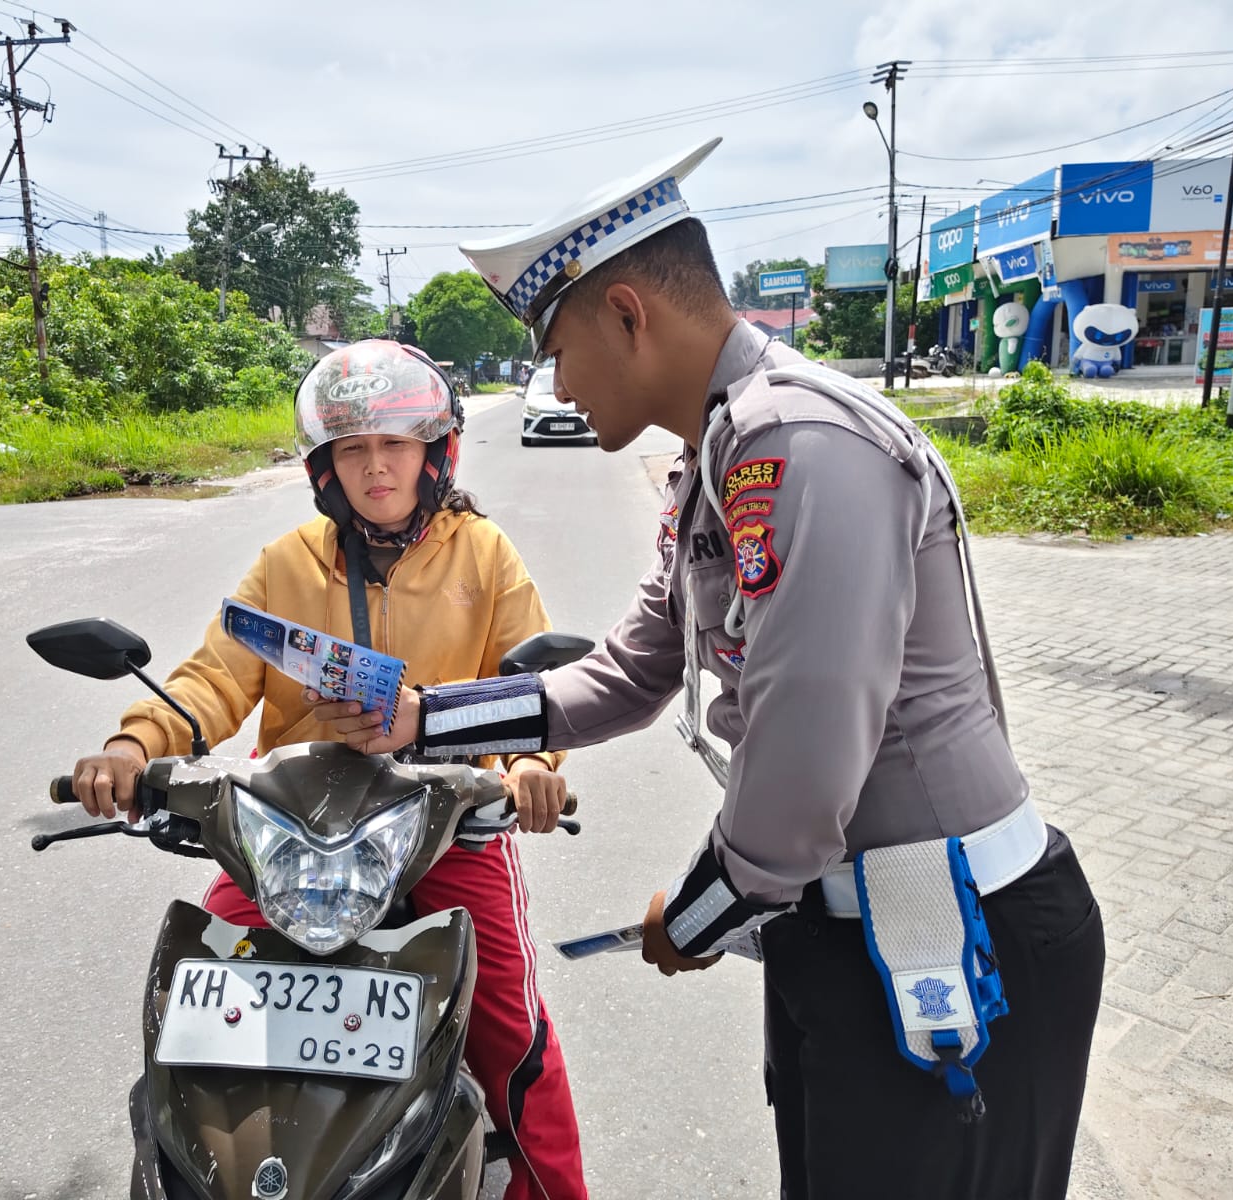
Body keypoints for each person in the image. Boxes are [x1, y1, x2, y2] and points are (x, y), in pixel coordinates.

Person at [307, 142, 1106, 1199]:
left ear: (627, 315)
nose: (556, 385)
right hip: (851, 932)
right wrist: (424, 720)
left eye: (558, 350)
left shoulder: (800, 445)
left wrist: (696, 916)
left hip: (955, 937)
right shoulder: (718, 459)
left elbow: (805, 763)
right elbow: (627, 672)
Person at [70, 339, 587, 1200]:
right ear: (325, 465)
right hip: (290, 829)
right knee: (200, 1009)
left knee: (509, 1030)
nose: (376, 467)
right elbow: (212, 679)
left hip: (448, 823)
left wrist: (532, 765)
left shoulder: (484, 555)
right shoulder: (287, 564)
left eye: (395, 445)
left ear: (434, 453)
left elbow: (527, 686)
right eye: (354, 449)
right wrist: (133, 747)